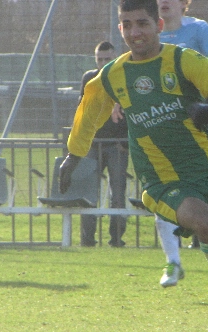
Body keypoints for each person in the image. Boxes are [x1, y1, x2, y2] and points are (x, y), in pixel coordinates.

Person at [60, 1, 208, 332]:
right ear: (120, 29)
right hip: (160, 179)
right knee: (205, 222)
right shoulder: (113, 74)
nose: (135, 32)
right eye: (127, 25)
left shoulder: (183, 60)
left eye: (142, 24)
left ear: (159, 24)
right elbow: (90, 108)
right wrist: (74, 153)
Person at [155, 0, 208, 287]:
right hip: (163, 124)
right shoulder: (150, 31)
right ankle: (172, 262)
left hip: (200, 123)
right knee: (162, 190)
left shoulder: (199, 31)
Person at [78, 41, 129, 248]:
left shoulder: (123, 77)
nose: (103, 63)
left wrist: (126, 142)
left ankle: (116, 239)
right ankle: (87, 239)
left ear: (115, 57)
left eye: (107, 59)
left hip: (117, 144)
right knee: (88, 192)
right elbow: (83, 108)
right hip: (93, 143)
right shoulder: (89, 78)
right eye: (99, 59)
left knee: (117, 193)